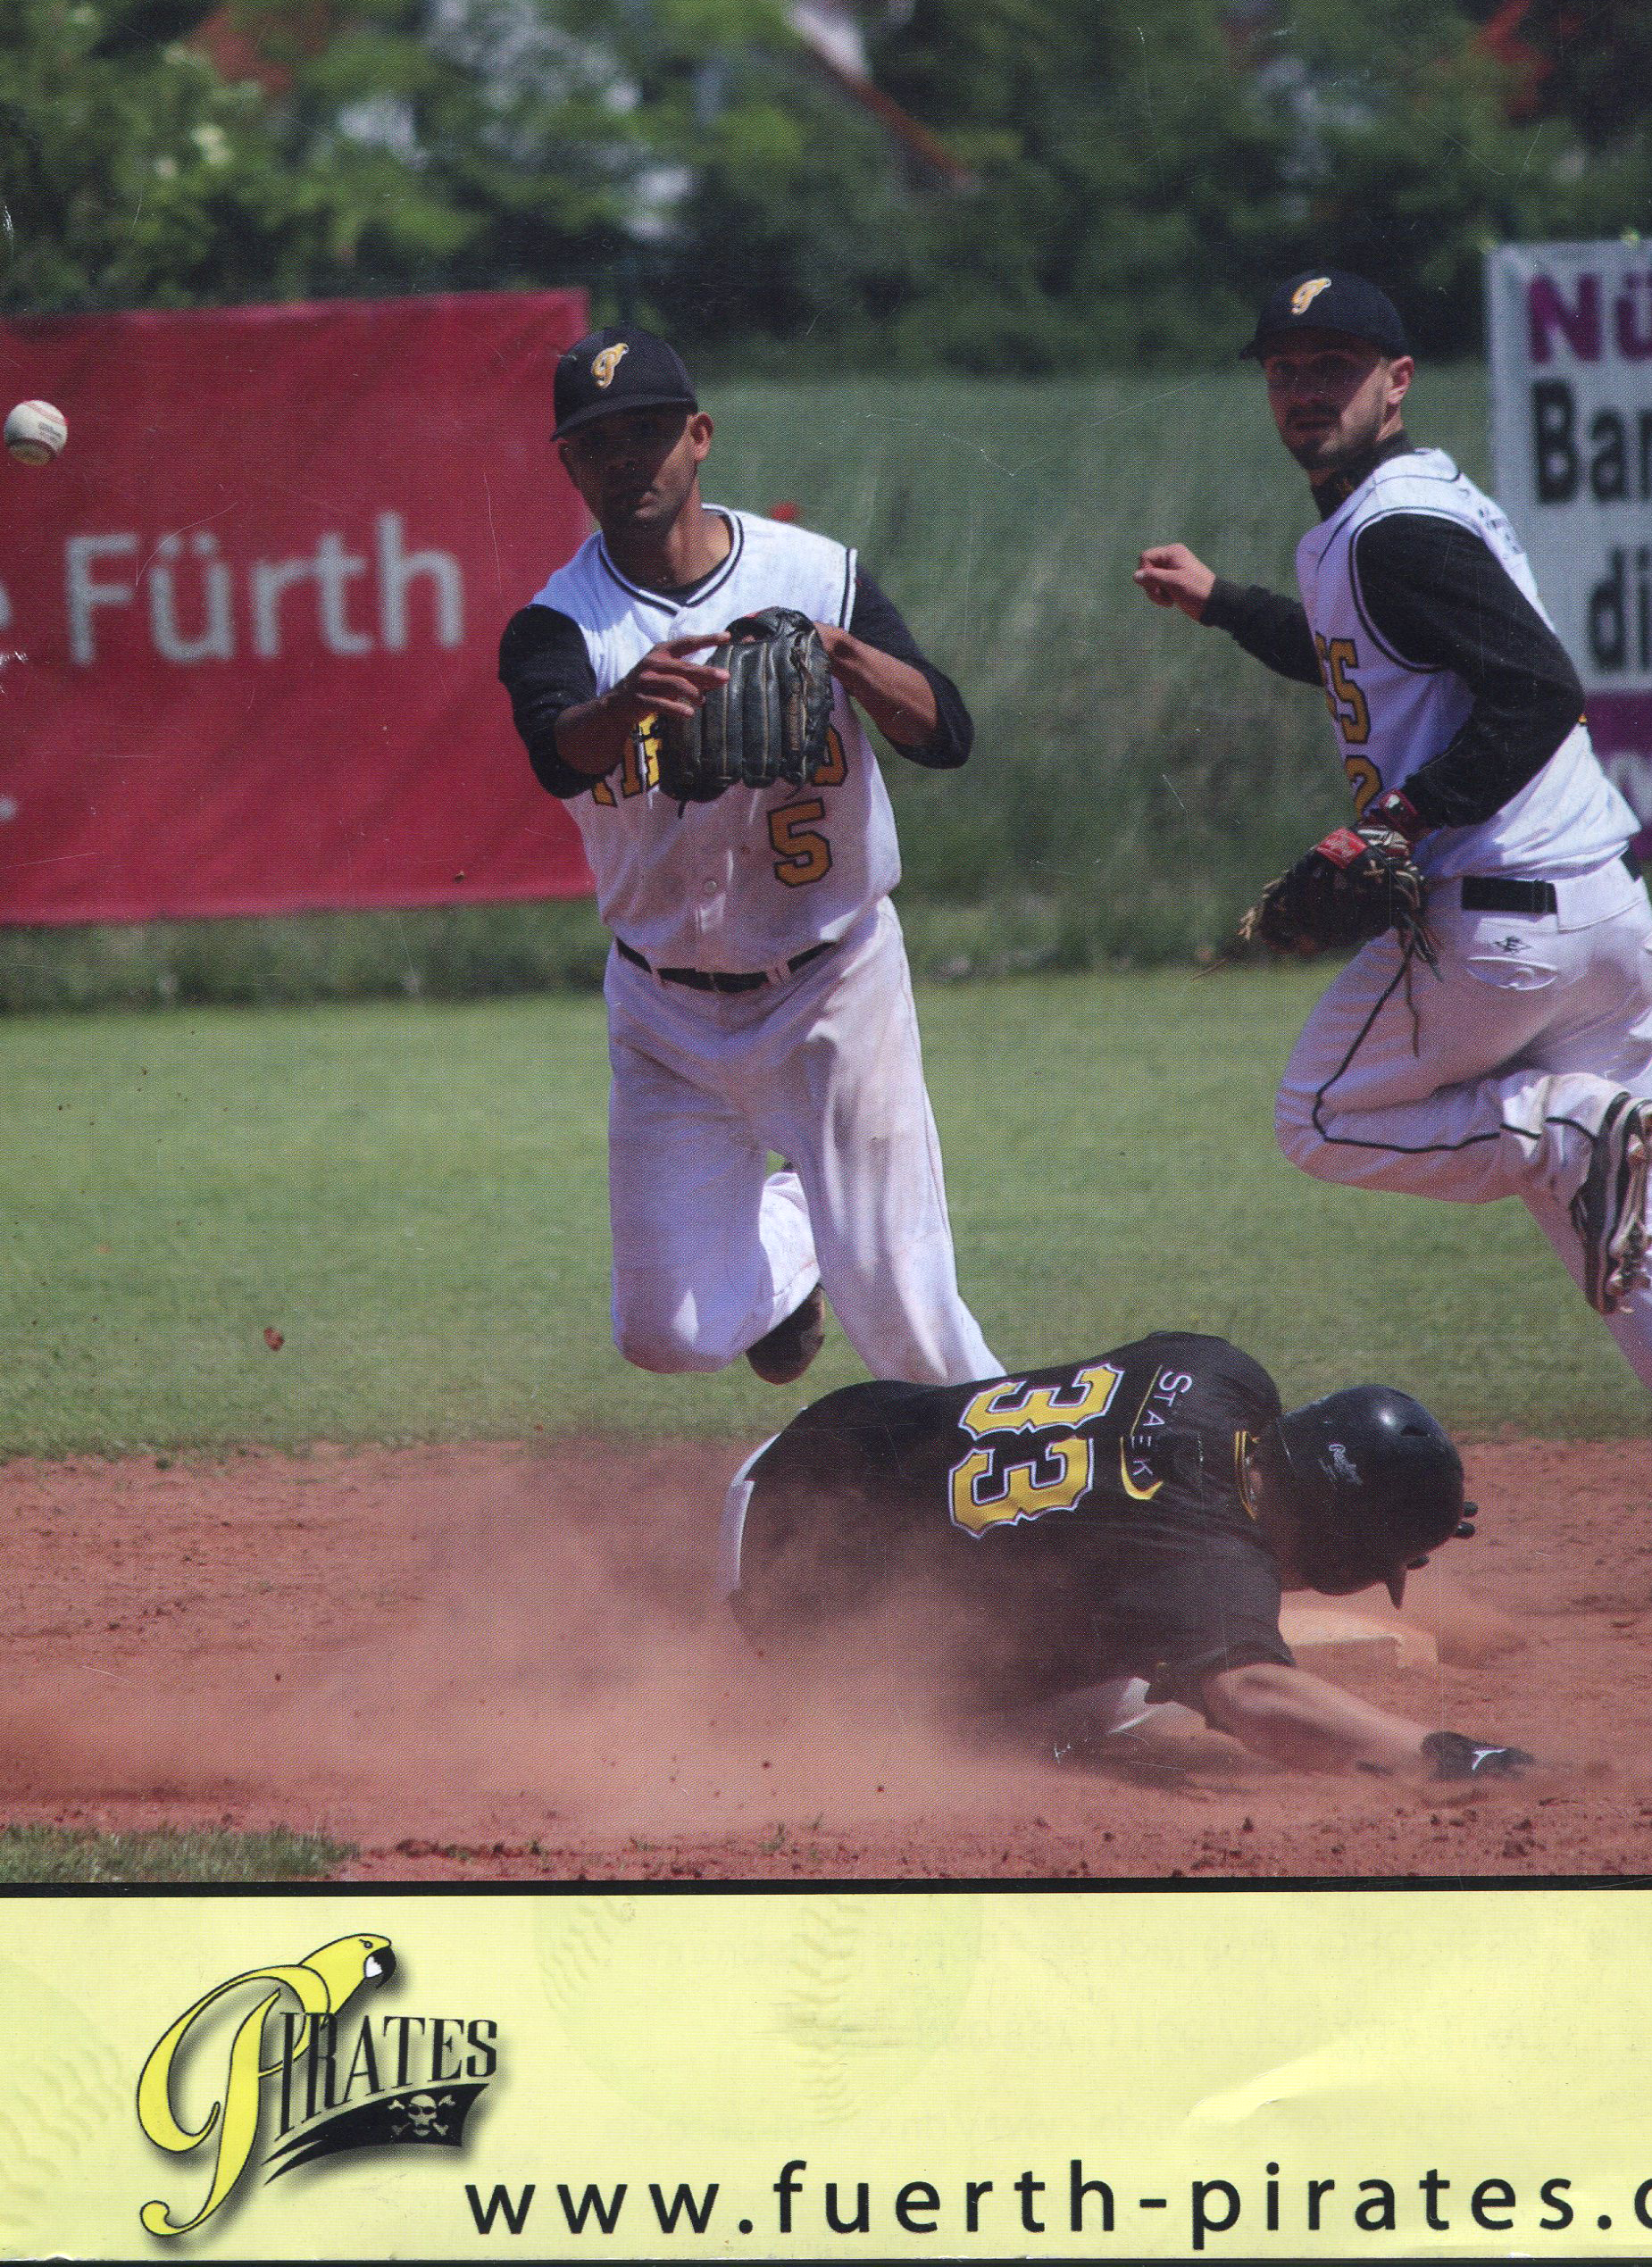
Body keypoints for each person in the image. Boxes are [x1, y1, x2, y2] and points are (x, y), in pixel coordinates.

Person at [1134, 270, 1652, 1613]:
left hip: (1504, 919)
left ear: (1397, 381)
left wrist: (1396, 821)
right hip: (1597, 914)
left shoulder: (1395, 528)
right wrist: (1223, 600)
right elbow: (1361, 660)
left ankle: (1561, 1130)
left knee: (1318, 1113)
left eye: (1335, 364)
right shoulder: (1393, 518)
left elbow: (1539, 690)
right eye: (1285, 367)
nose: (1305, 387)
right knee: (1626, 1248)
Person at [498, 329, 1002, 1391]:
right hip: (664, 1015)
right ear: (568, 464)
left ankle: (1041, 1469)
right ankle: (803, 1228)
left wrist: (846, 655)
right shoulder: (557, 624)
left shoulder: (816, 574)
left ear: (699, 436)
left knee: (904, 1315)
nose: (626, 460)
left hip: (832, 986)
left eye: (647, 432)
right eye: (598, 443)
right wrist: (625, 702)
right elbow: (555, 752)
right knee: (666, 1333)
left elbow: (944, 731)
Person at [722, 1329, 1531, 1779]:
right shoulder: (1205, 1572)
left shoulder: (1216, 1369)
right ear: (1343, 1554)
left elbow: (1145, 1493)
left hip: (796, 1457)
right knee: (1149, 1691)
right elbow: (1253, 1696)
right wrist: (1447, 1759)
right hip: (795, 1638)